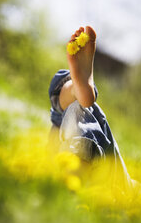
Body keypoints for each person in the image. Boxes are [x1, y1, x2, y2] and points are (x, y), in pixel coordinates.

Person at [49, 26, 132, 190]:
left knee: (78, 110)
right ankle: (74, 88)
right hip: (113, 180)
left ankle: (71, 88)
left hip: (108, 185)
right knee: (77, 110)